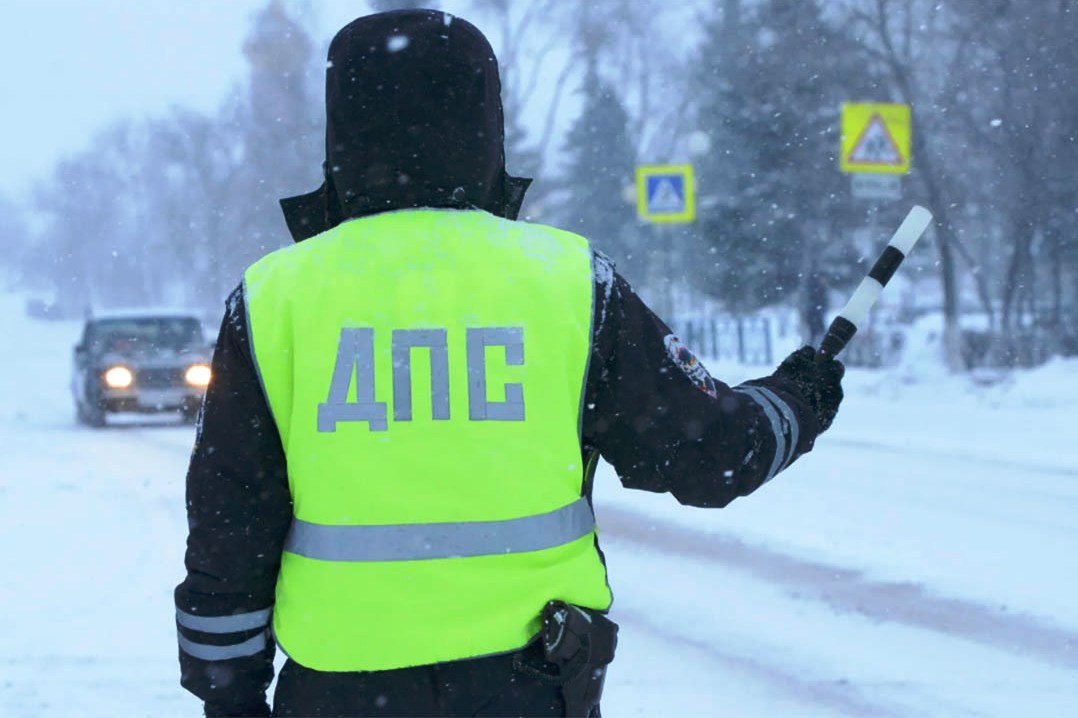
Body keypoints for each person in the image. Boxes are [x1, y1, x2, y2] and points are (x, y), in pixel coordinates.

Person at [174, 9, 845, 718]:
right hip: (530, 684)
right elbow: (711, 455)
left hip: (338, 691)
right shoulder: (569, 280)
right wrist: (797, 396)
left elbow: (229, 526)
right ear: (483, 122)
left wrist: (230, 694)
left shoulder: (275, 295)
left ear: (341, 130)